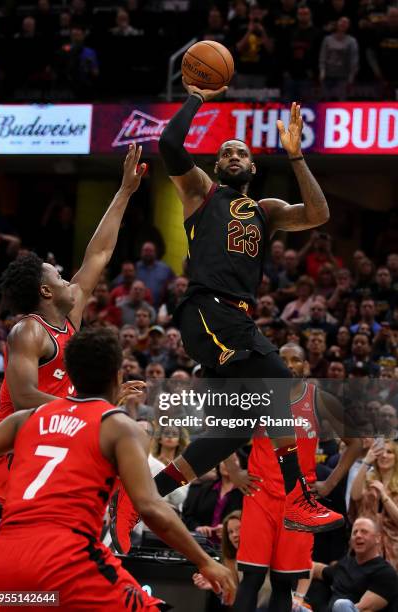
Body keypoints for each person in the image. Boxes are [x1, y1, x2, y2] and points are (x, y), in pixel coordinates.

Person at [145, 83, 343, 532]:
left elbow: (317, 214)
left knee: (232, 432)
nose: (234, 157)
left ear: (253, 167)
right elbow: (169, 144)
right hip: (208, 309)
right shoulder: (201, 192)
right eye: (227, 153)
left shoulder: (265, 210)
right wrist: (197, 97)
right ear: (217, 165)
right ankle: (299, 498)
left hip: (232, 319)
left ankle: (143, 498)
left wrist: (296, 156)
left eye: (242, 154)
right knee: (280, 380)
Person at [0, 328, 236, 610]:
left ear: (69, 374)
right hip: (63, 562)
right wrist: (205, 561)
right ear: (118, 375)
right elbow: (151, 507)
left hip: (3, 570)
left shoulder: (26, 418)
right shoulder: (119, 427)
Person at [0, 144, 146, 506]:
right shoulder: (28, 330)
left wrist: (125, 191)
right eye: (60, 277)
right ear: (46, 291)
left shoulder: (69, 318)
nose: (68, 281)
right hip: (10, 452)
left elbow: (100, 253)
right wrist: (93, 408)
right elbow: (26, 396)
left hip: (52, 438)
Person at [233, 344, 361, 612]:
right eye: (283, 360)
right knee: (252, 578)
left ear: (306, 367)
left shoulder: (319, 399)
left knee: (283, 583)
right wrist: (233, 470)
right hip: (260, 494)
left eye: (296, 360)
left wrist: (328, 484)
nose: (289, 364)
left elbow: (355, 442)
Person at [311, 517, 398, 611]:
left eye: (364, 532)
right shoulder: (345, 564)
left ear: (377, 538)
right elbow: (315, 568)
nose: (358, 535)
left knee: (341, 605)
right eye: (355, 532)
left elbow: (363, 609)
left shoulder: (385, 573)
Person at [350, 439, 398, 570]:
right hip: (367, 547)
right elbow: (355, 495)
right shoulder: (369, 479)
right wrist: (366, 462)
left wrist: (384, 495)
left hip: (393, 549)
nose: (384, 455)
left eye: (389, 452)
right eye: (381, 452)